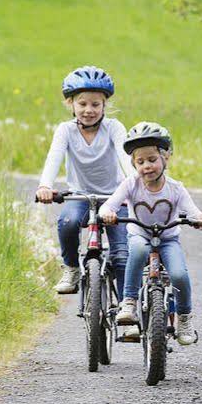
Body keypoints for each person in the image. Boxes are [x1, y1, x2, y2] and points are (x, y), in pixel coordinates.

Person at [100, 121, 202, 345]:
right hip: (140, 235)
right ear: (133, 164)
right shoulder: (130, 184)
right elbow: (109, 205)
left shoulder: (176, 188)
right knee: (137, 250)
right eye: (140, 161)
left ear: (166, 157)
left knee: (179, 275)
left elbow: (193, 212)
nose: (146, 166)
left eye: (152, 159)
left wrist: (200, 219)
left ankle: (184, 318)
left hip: (167, 239)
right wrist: (107, 214)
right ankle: (129, 302)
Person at [34, 66, 129, 297]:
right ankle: (72, 268)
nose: (89, 110)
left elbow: (127, 160)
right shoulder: (65, 130)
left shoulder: (114, 128)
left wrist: (135, 185)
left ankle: (128, 303)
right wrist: (45, 185)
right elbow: (54, 157)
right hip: (80, 195)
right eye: (83, 104)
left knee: (122, 255)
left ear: (105, 105)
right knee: (68, 221)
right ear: (71, 104)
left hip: (114, 197)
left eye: (96, 104)